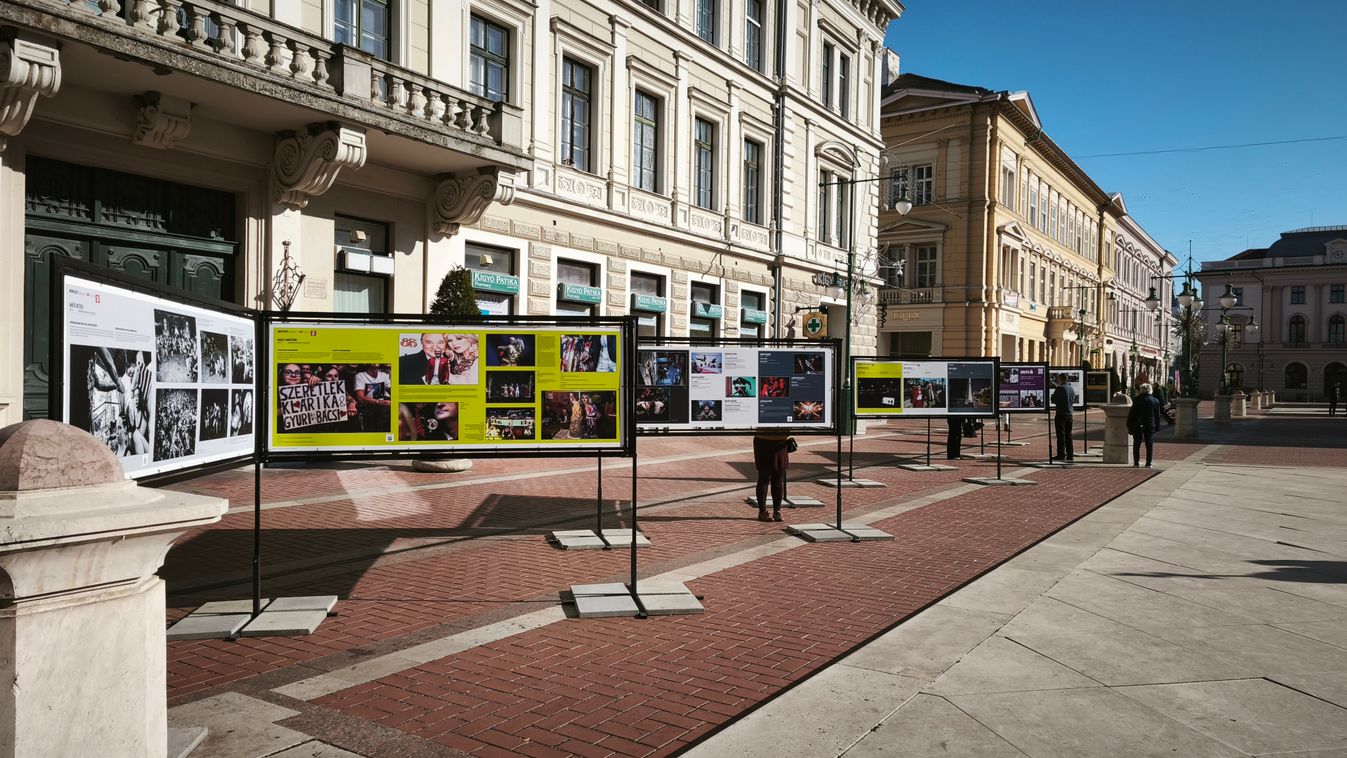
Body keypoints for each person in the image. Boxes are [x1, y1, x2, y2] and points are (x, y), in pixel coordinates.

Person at [752, 433, 790, 522]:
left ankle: (777, 511)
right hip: (763, 441)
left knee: (778, 478)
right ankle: (762, 512)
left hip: (781, 441)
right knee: (764, 478)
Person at [1127, 382, 1163, 468]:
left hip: (1138, 424)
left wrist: (1129, 424)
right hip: (1150, 424)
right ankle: (1148, 463)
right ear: (1150, 390)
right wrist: (1157, 426)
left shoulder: (1136, 400)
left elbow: (1132, 414)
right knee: (1149, 443)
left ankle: (1136, 463)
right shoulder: (1155, 401)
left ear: (1141, 390)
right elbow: (1157, 416)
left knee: (1137, 443)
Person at [1051, 373, 1077, 461]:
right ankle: (1070, 455)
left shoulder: (1060, 388)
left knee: (1061, 435)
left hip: (1061, 414)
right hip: (1070, 414)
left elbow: (1053, 399)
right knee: (1068, 435)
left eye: (1058, 379)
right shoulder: (1071, 388)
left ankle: (1061, 455)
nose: (1057, 380)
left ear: (1061, 379)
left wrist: (1055, 391)